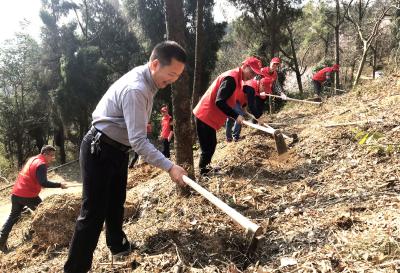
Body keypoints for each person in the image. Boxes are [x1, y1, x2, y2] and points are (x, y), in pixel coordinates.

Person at [63, 41, 188, 273]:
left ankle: (117, 245)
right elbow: (139, 142)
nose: (173, 80)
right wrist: (170, 167)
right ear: (155, 64)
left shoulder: (147, 80)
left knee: (115, 204)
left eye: (178, 76)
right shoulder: (137, 89)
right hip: (99, 150)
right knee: (92, 214)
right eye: (171, 74)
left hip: (118, 150)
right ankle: (75, 269)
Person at [193, 56, 263, 175]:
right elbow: (219, 101)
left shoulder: (237, 78)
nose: (252, 75)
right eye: (251, 71)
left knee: (211, 144)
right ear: (244, 66)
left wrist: (243, 110)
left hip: (209, 115)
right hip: (205, 114)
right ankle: (203, 172)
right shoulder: (231, 78)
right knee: (208, 146)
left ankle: (206, 168)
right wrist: (236, 116)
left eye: (255, 73)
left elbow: (235, 99)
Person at [0, 145, 68, 252]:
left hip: (16, 193)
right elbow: (43, 182)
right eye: (51, 155)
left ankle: (1, 241)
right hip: (28, 195)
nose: (52, 158)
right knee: (44, 213)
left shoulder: (33, 159)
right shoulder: (41, 164)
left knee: (13, 217)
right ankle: (42, 236)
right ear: (44, 154)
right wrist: (60, 185)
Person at [225, 57, 286, 140]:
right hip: (236, 97)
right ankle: (234, 137)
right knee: (237, 115)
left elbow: (246, 99)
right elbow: (251, 104)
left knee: (240, 114)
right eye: (274, 64)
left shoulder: (274, 75)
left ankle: (231, 137)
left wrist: (281, 93)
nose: (275, 66)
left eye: (277, 65)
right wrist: (259, 117)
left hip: (244, 97)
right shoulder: (253, 85)